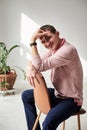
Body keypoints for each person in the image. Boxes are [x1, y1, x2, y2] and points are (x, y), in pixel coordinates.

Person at [22, 25, 83, 130]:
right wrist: (29, 68)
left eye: (49, 38)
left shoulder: (68, 50)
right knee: (26, 95)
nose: (47, 43)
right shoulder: (53, 50)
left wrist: (33, 42)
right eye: (43, 42)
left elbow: (38, 66)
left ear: (57, 33)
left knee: (48, 122)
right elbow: (33, 62)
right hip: (58, 94)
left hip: (71, 100)